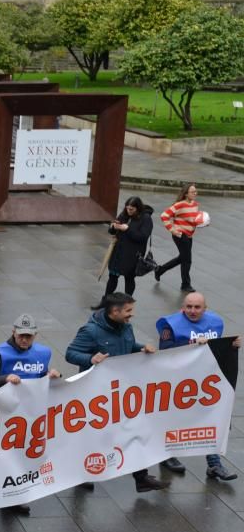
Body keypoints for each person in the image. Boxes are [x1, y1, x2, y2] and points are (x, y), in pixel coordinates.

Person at [65, 292, 165, 492]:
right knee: (92, 436)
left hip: (122, 392)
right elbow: (70, 353)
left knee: (136, 430)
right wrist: (91, 359)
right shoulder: (90, 331)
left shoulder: (126, 327)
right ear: (114, 312)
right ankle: (81, 473)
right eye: (128, 311)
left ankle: (141, 477)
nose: (131, 315)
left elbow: (127, 346)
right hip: (97, 396)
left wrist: (141, 348)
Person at [0, 314, 62, 515]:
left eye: (29, 337)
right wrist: (5, 378)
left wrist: (53, 377)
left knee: (20, 456)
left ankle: (12, 496)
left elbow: (40, 378)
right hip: (1, 415)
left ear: (35, 335)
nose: (24, 340)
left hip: (27, 416)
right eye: (21, 335)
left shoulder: (42, 353)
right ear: (13, 332)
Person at [156, 292, 239, 481]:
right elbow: (165, 353)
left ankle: (214, 463)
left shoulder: (216, 322)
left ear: (205, 308)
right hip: (178, 384)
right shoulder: (170, 325)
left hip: (204, 382)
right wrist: (191, 344)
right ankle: (167, 456)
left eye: (197, 307)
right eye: (189, 307)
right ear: (182, 307)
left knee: (210, 420)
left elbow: (216, 348)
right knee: (174, 420)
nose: (192, 311)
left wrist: (231, 346)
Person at [155, 184, 201, 293]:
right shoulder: (179, 205)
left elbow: (193, 219)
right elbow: (164, 215)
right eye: (192, 192)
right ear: (186, 194)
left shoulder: (195, 204)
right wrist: (172, 229)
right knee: (187, 260)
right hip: (180, 235)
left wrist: (201, 222)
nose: (195, 193)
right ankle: (185, 284)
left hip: (189, 235)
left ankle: (160, 270)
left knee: (182, 258)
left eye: (195, 191)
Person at [104, 196, 153, 297]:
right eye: (127, 208)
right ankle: (106, 300)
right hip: (118, 253)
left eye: (132, 209)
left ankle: (128, 300)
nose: (129, 211)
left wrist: (128, 229)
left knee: (129, 278)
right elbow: (111, 231)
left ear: (138, 208)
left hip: (133, 255)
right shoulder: (124, 215)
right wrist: (113, 226)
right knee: (112, 276)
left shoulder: (146, 218)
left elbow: (143, 237)